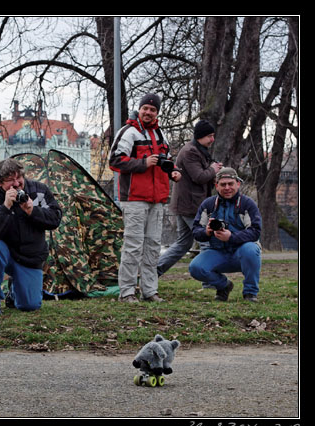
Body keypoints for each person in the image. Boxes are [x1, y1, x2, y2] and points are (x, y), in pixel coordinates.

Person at [109, 92, 182, 303]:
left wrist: (174, 171)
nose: (148, 112)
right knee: (133, 245)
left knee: (152, 246)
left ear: (157, 113)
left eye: (152, 110)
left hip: (157, 198)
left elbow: (166, 160)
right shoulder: (128, 132)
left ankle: (149, 290)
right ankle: (127, 292)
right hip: (134, 198)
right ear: (139, 109)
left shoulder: (160, 134)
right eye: (145, 109)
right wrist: (142, 163)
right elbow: (114, 161)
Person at [0, 158, 62, 315]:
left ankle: (13, 293)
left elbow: (55, 219)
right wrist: (5, 207)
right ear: (0, 183)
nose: (16, 184)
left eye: (19, 178)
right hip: (5, 252)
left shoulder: (40, 191)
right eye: (10, 180)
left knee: (30, 306)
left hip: (30, 256)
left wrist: (32, 211)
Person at [157, 120, 223, 276]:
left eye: (213, 135)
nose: (212, 139)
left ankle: (154, 271)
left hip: (187, 204)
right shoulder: (190, 152)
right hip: (191, 206)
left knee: (183, 244)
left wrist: (212, 175)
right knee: (206, 241)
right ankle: (210, 279)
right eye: (209, 136)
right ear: (200, 136)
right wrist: (213, 170)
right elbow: (199, 177)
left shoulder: (199, 150)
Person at [188, 168, 262, 302]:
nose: (227, 188)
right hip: (218, 252)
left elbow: (255, 231)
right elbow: (196, 230)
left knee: (251, 249)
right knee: (195, 268)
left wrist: (231, 237)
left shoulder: (247, 204)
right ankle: (224, 286)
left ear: (237, 184)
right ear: (216, 186)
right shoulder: (208, 204)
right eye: (223, 184)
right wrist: (207, 231)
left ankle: (250, 293)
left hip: (241, 253)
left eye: (230, 184)